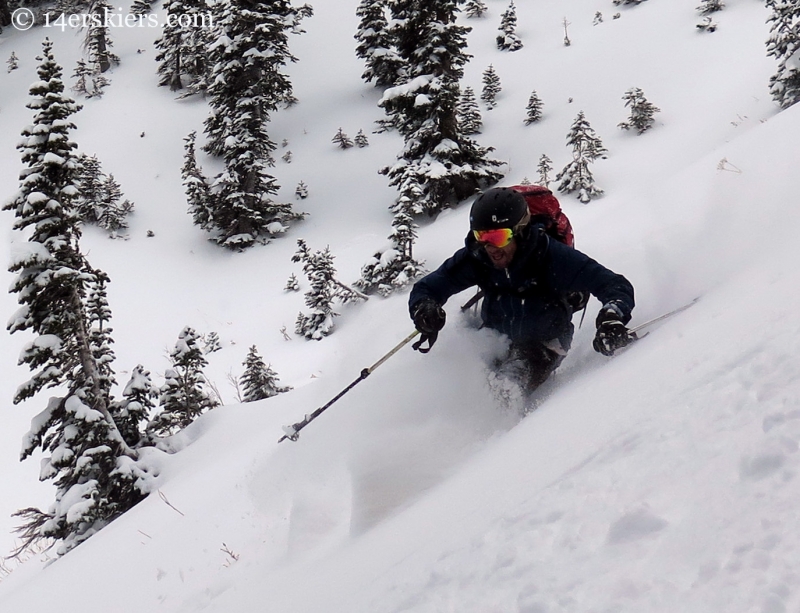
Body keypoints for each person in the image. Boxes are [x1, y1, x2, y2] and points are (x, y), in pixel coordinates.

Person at [408, 187, 636, 394]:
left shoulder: (551, 257)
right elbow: (430, 286)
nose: (489, 248)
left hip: (545, 343)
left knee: (509, 384)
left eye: (497, 237)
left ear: (520, 231)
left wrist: (611, 317)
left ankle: (507, 435)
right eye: (481, 236)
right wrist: (424, 307)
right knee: (465, 384)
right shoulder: (477, 257)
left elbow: (614, 285)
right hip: (495, 338)